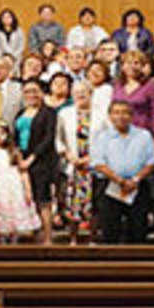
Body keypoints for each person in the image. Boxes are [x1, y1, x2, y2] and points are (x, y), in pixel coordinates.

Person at [92, 101, 154, 244]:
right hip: (110, 186)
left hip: (138, 186)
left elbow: (152, 162)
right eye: (116, 112)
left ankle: (137, 265)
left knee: (138, 230)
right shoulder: (102, 136)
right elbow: (98, 163)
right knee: (110, 231)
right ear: (110, 116)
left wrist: (135, 180)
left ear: (132, 116)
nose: (121, 116)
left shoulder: (144, 135)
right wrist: (119, 180)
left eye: (125, 112)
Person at [15, 80, 58, 244]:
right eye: (27, 91)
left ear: (41, 92)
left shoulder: (49, 112)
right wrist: (19, 157)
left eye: (34, 91)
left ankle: (47, 237)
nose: (31, 95)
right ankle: (33, 233)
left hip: (41, 160)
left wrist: (32, 158)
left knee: (42, 199)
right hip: (22, 158)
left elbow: (48, 138)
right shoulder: (21, 113)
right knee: (27, 197)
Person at [0, 121, 40, 242]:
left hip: (15, 185)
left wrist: (28, 189)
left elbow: (23, 171)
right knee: (0, 214)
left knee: (15, 213)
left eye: (2, 133)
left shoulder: (14, 151)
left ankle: (14, 240)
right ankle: (2, 240)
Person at [56, 81, 96, 244]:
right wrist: (69, 156)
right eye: (77, 92)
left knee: (92, 202)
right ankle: (73, 237)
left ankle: (92, 237)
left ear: (90, 93)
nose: (80, 95)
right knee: (71, 201)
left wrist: (91, 158)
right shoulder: (65, 113)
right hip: (72, 164)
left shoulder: (101, 115)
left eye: (84, 91)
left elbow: (105, 140)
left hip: (93, 164)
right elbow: (58, 139)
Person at [112, 50, 154, 137]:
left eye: (136, 63)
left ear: (142, 66)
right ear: (123, 66)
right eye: (128, 63)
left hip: (142, 133)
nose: (132, 66)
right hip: (119, 133)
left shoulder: (151, 86)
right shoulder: (118, 85)